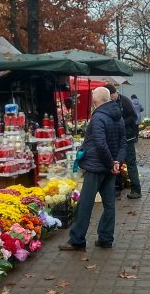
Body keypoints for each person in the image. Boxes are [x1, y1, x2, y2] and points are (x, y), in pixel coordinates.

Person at [59, 86, 126, 251]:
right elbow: (123, 143)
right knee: (109, 204)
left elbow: (100, 144)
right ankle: (106, 238)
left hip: (96, 166)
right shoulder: (119, 117)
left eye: (93, 97)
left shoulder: (98, 118)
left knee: (85, 204)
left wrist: (112, 163)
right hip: (109, 169)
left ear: (96, 101)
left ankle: (77, 240)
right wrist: (117, 162)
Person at [107, 84, 141, 199]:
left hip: (128, 138)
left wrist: (121, 124)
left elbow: (134, 117)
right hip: (115, 139)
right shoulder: (109, 103)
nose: (111, 98)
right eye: (109, 96)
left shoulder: (125, 101)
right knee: (117, 163)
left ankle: (136, 190)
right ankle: (117, 187)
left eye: (111, 95)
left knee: (130, 164)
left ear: (115, 93)